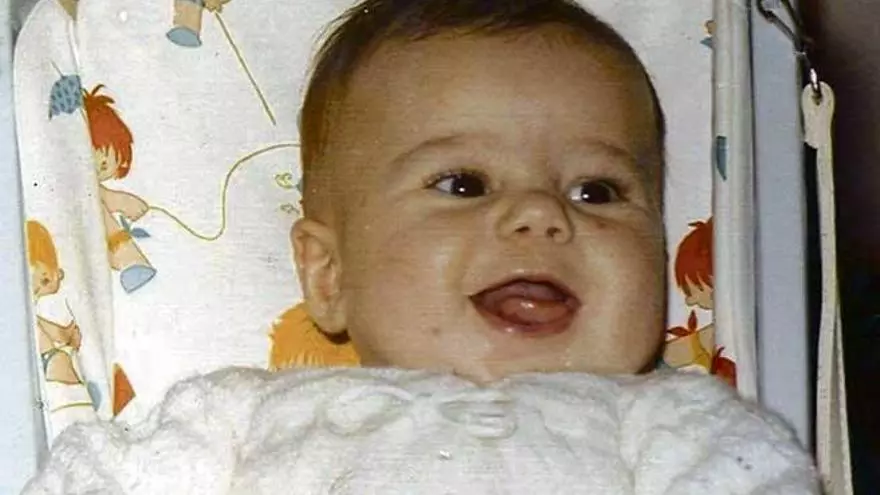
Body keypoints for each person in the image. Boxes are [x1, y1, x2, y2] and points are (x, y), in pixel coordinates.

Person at [23, 1, 818, 493]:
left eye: (598, 191)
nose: (540, 214)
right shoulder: (241, 417)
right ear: (328, 275)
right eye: (465, 183)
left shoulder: (678, 426)